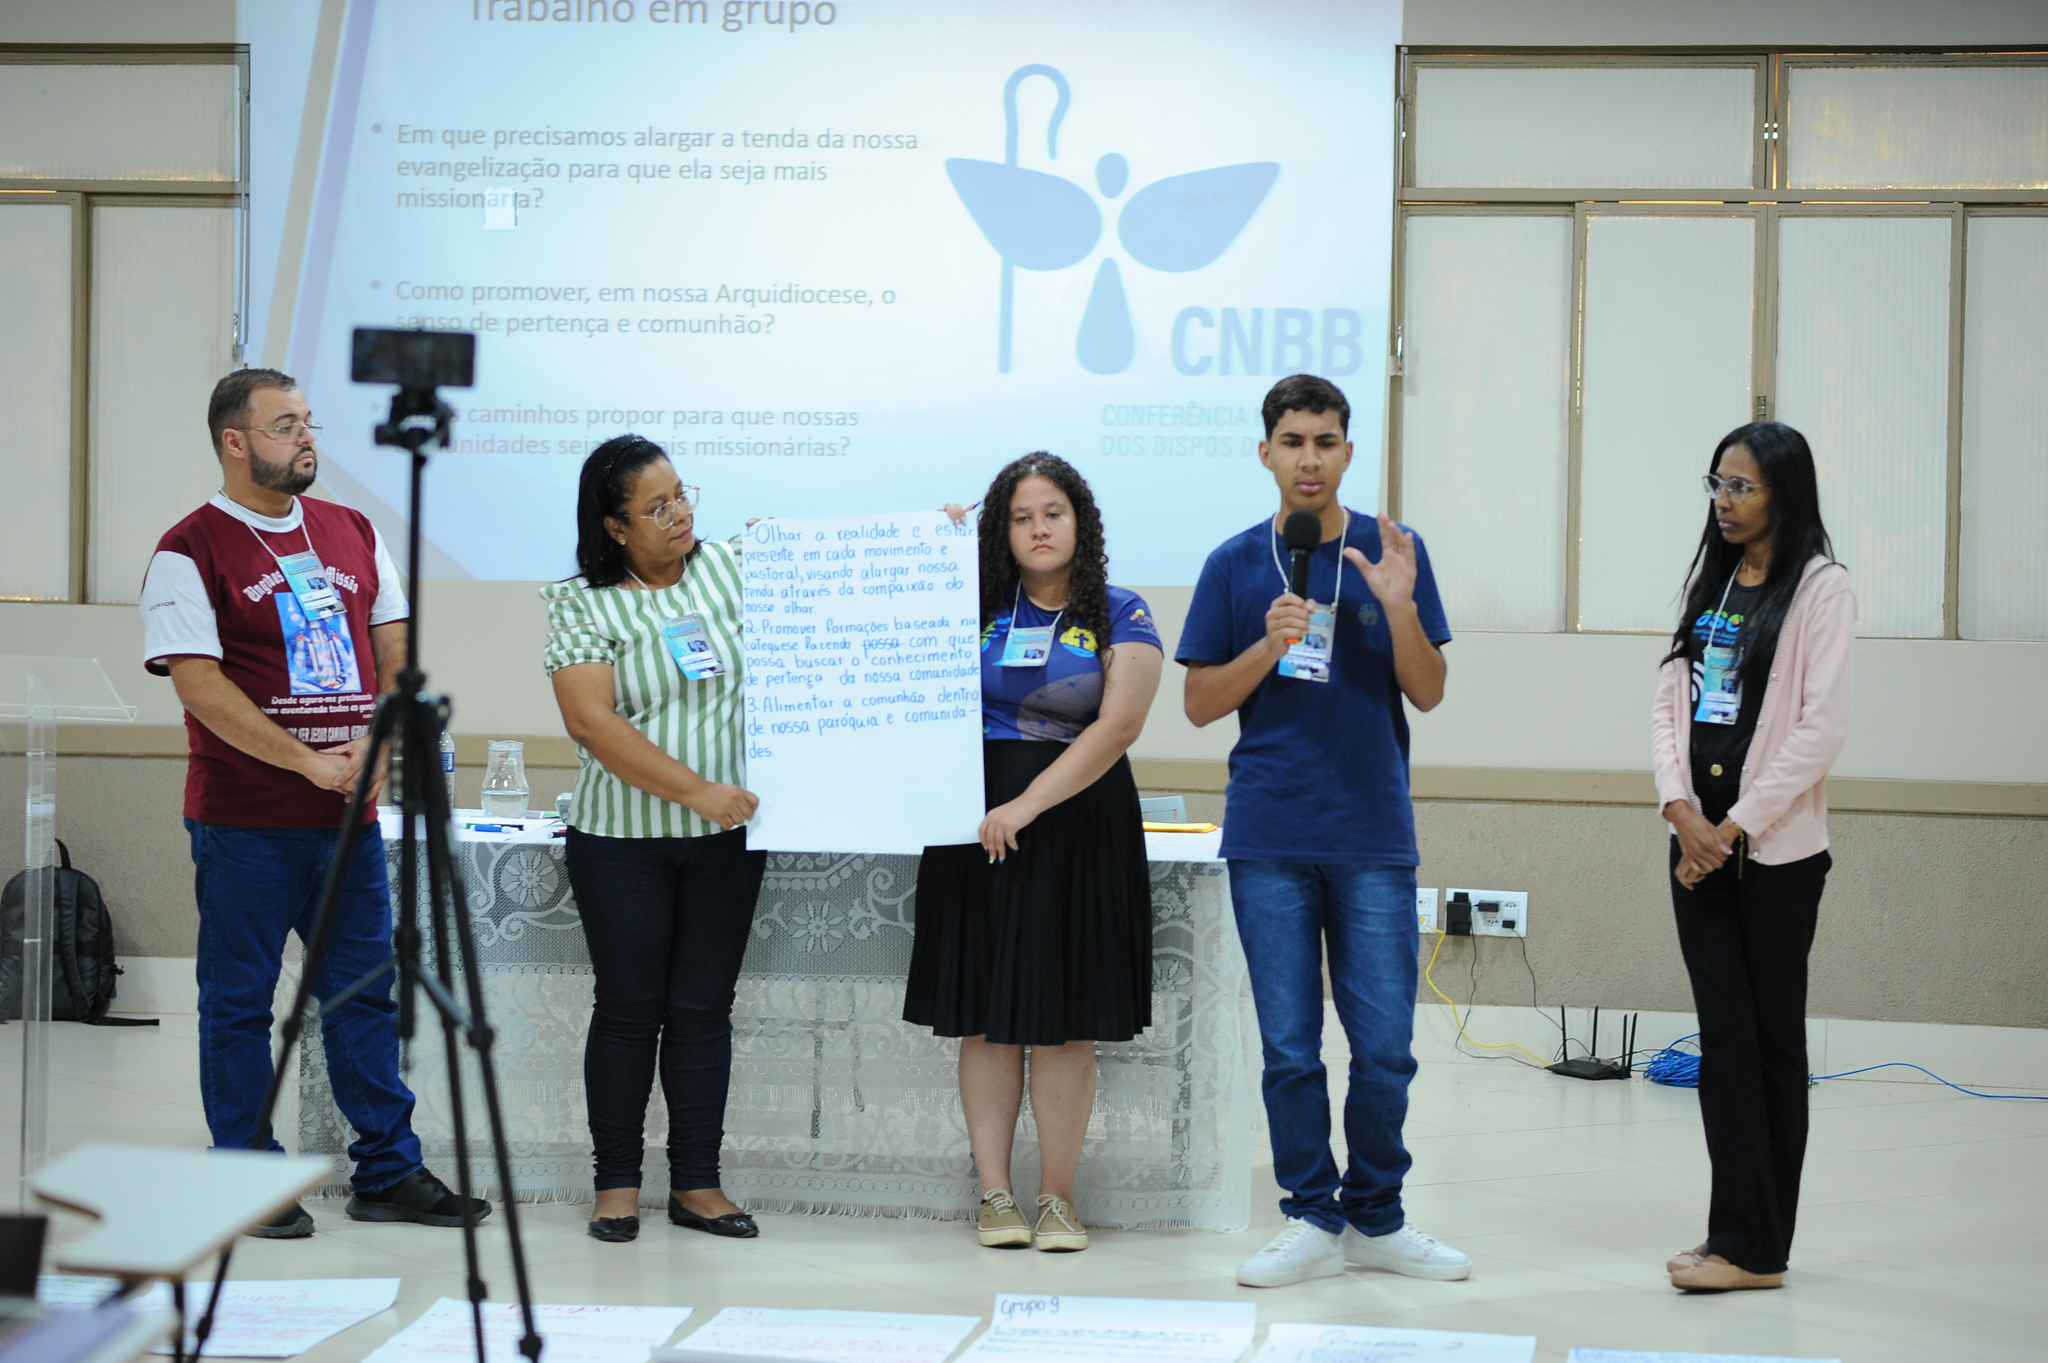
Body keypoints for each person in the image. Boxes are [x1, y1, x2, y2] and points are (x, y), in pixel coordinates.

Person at [139, 368, 489, 1237]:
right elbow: (199, 685)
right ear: (234, 442)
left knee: (365, 994)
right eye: (285, 424)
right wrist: (307, 762)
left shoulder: (352, 529)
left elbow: (392, 642)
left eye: (308, 422)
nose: (306, 437)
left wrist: (378, 745)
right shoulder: (189, 549)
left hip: (349, 823)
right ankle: (248, 1176)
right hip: (246, 823)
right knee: (238, 1003)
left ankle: (387, 1170)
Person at [1178, 374, 1469, 1287]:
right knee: (1289, 1048)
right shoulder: (1234, 562)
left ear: (1348, 450)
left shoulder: (1394, 550)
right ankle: (1310, 1214)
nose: (1310, 459)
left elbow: (1429, 690)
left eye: (1327, 441)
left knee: (1384, 1047)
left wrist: (1398, 605)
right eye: (1294, 441)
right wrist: (1268, 645)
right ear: (1266, 451)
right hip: (1269, 831)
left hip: (1372, 832)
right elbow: (1197, 704)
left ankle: (1377, 1217)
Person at [903, 454, 1164, 1254]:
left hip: (1076, 824)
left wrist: (1026, 804)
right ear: (1001, 530)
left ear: (1080, 522)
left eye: (1053, 512)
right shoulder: (971, 604)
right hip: (973, 825)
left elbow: (1118, 726)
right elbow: (890, 647)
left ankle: (1056, 1196)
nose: (1039, 528)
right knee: (985, 1019)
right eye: (1021, 517)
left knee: (1063, 1023)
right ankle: (994, 1193)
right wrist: (929, 550)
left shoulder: (1120, 610)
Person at [544, 435, 766, 1245]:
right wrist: (696, 791)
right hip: (622, 840)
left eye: (681, 495)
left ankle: (698, 1183)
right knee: (629, 1010)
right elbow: (589, 721)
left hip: (725, 839)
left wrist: (931, 534)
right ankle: (616, 1184)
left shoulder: (731, 566)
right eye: (657, 506)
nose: (680, 514)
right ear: (614, 526)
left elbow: (845, 569)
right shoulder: (581, 602)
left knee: (704, 1011)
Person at [1653, 422, 1852, 1292]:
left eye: (1742, 486)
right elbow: (1670, 701)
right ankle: (1734, 1232)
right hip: (1695, 846)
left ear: (1785, 493)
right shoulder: (1714, 580)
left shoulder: (1822, 589)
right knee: (1723, 1044)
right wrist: (1678, 807)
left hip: (1772, 854)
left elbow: (1819, 729)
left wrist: (1729, 827)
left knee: (1771, 1046)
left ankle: (1760, 1249)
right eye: (1718, 484)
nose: (1724, 502)